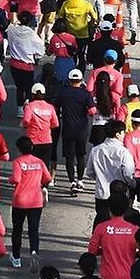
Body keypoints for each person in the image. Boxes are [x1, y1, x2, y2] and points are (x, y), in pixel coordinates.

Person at [10, 135, 51, 270]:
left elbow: (16, 178)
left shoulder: (18, 162)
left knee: (17, 230)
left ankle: (16, 258)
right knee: (33, 230)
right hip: (35, 200)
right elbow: (48, 178)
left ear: (19, 149)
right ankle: (34, 252)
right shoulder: (39, 162)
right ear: (31, 147)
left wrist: (10, 180)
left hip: (20, 200)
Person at [85, 119, 135, 223]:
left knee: (102, 224)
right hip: (120, 195)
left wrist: (99, 177)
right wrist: (131, 184)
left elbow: (89, 172)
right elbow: (128, 173)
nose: (124, 135)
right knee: (120, 225)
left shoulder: (96, 150)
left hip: (101, 194)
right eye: (123, 132)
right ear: (118, 134)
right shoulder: (124, 152)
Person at [56, 69, 94, 197]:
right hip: (82, 130)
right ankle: (80, 180)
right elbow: (92, 111)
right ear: (81, 80)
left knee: (69, 157)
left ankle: (71, 181)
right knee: (81, 156)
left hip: (68, 129)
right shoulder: (86, 94)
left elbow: (56, 106)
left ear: (69, 80)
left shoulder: (63, 93)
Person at [6, 11, 45, 117]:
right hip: (27, 66)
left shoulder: (12, 30)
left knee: (19, 88)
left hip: (14, 65)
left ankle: (19, 109)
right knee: (28, 88)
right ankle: (28, 108)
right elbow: (40, 52)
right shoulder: (33, 35)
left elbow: (9, 28)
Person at [22, 82, 59, 170]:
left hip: (32, 140)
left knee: (32, 166)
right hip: (47, 140)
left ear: (33, 94)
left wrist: (26, 125)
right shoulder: (50, 107)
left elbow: (26, 120)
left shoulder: (29, 106)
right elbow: (56, 124)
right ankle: (44, 182)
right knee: (45, 165)